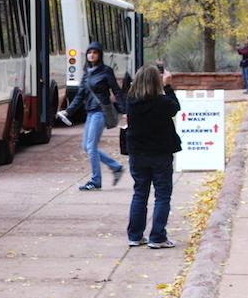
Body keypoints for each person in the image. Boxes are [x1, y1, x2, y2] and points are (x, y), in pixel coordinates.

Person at [124, 65, 182, 249]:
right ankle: (157, 236)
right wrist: (168, 87)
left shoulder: (131, 101)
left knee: (140, 193)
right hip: (160, 154)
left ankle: (135, 235)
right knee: (162, 195)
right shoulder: (162, 102)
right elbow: (175, 108)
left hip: (137, 154)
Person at [59, 41, 124, 191]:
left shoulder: (106, 71)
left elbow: (117, 91)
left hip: (100, 112)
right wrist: (68, 111)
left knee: (91, 147)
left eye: (95, 52)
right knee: (86, 147)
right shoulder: (86, 73)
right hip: (90, 113)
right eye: (89, 52)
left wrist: (125, 109)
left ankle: (96, 181)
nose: (92, 55)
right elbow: (80, 95)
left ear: (100, 55)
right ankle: (116, 167)